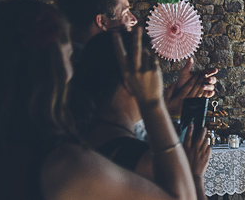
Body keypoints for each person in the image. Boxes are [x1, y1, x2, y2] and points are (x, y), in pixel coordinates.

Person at [0, 0, 198, 200]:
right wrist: (153, 105)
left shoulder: (4, 148)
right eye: (70, 56)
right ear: (54, 69)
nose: (74, 69)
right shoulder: (63, 165)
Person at [55, 0, 218, 121]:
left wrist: (177, 97)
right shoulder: (83, 72)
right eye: (125, 12)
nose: (133, 19)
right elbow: (121, 136)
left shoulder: (66, 62)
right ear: (102, 21)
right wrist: (161, 110)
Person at [70, 31, 211, 200]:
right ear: (132, 80)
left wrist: (171, 113)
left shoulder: (80, 139)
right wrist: (194, 176)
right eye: (154, 73)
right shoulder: (140, 160)